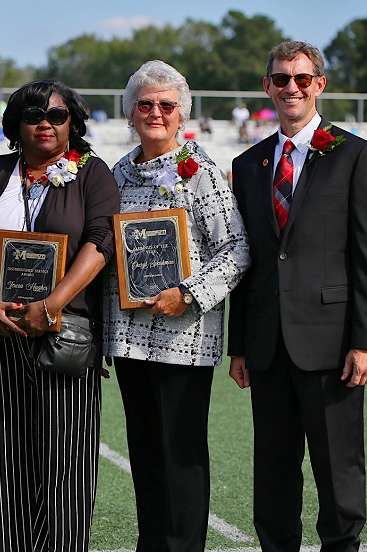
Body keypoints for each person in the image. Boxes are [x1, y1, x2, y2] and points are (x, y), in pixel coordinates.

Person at [228, 41, 367, 552]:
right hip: (267, 345)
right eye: (280, 79)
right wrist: (240, 345)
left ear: (320, 84)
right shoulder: (249, 163)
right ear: (267, 87)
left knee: (337, 470)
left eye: (301, 78)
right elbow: (245, 259)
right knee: (273, 474)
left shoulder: (356, 155)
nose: (290, 88)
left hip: (333, 346)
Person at [102, 60, 250, 552]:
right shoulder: (118, 172)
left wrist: (186, 293)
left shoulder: (199, 169)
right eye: (145, 104)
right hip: (129, 339)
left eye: (166, 105)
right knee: (145, 453)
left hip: (183, 339)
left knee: (180, 453)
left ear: (182, 113)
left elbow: (236, 249)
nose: (155, 113)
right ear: (130, 112)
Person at [0, 80, 120, 551]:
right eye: (34, 116)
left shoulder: (93, 173)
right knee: (11, 456)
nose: (45, 124)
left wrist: (52, 304)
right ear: (16, 124)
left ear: (72, 122)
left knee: (67, 460)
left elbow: (100, 244)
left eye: (57, 116)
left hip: (65, 333)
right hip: (4, 329)